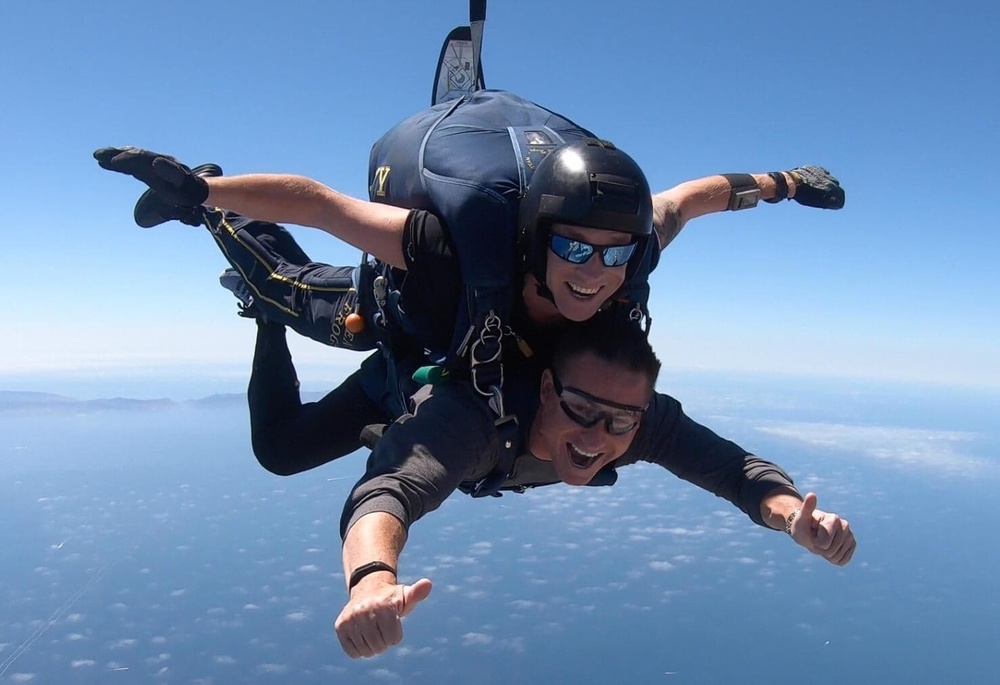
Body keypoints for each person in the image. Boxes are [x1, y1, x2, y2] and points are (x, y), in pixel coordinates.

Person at [94, 98, 844, 477]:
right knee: (280, 287)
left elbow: (691, 199)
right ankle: (254, 299)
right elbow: (320, 205)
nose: (592, 273)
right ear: (532, 236)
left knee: (281, 452)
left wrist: (783, 184)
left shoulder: (627, 252)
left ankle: (245, 271)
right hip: (388, 322)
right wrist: (204, 192)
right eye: (572, 247)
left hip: (434, 359)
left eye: (612, 256)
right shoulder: (447, 251)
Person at [333, 310, 857, 659]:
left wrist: (792, 516)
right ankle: (262, 291)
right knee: (280, 449)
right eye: (580, 409)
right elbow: (388, 491)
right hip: (387, 381)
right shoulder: (474, 423)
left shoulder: (642, 425)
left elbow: (732, 471)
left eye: (620, 421)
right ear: (544, 389)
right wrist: (372, 581)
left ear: (642, 413)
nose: (595, 437)